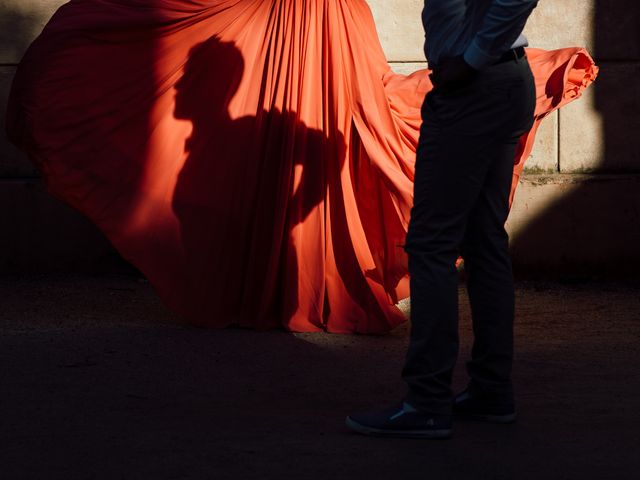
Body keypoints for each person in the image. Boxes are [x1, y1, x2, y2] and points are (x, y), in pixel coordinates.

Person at [6, 0, 594, 334]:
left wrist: (470, 57)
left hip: (333, 28)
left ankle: (437, 397)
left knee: (423, 213)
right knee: (310, 138)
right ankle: (467, 392)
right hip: (311, 22)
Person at [347, 0, 541, 439]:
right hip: (498, 81)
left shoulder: (472, 69)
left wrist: (470, 61)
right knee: (483, 241)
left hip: (475, 88)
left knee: (433, 244)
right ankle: (491, 390)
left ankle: (427, 402)